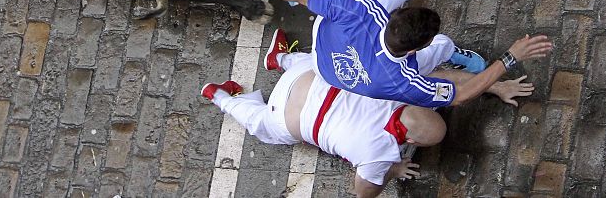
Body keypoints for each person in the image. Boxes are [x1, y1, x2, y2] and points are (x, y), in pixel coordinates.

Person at [201, 32, 538, 198]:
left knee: (318, 66)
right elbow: (362, 190)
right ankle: (220, 96)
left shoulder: (394, 85)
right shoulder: (376, 152)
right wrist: (390, 169)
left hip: (306, 78)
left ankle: (277, 61)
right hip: (286, 116)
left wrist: (496, 87)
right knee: (259, 123)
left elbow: (447, 82)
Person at [193, 0, 552, 109]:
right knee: (435, 30)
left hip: (327, 51)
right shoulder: (404, 81)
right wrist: (507, 60)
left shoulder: (360, 11)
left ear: (395, 17)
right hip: (326, 69)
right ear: (419, 46)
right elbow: (458, 94)